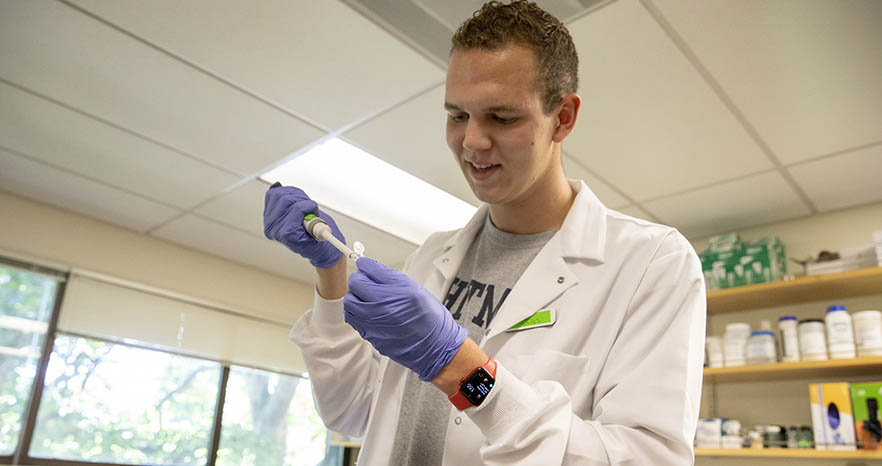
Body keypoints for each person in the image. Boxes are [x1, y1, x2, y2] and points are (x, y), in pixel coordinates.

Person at [263, 1, 706, 464]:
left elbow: (649, 458)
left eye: (502, 117)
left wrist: (460, 368)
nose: (472, 141)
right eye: (457, 115)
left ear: (564, 118)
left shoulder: (652, 264)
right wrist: (330, 270)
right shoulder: (432, 255)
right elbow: (350, 412)